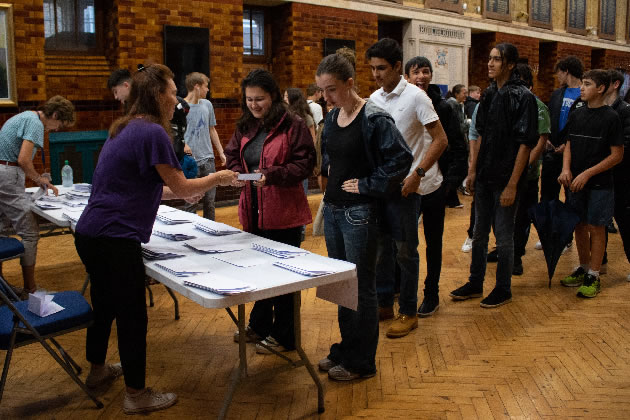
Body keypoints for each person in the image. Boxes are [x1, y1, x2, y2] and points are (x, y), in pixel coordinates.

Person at [74, 64, 237, 414]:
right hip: (115, 238)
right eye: (173, 91)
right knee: (133, 316)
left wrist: (187, 191)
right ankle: (136, 394)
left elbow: (144, 186)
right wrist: (216, 179)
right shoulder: (153, 132)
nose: (177, 98)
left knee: (103, 305)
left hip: (91, 233)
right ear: (158, 95)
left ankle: (98, 370)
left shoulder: (124, 128)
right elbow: (179, 186)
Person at [315, 49, 413, 380]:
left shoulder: (374, 116)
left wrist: (369, 184)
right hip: (334, 210)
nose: (325, 97)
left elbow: (401, 159)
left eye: (331, 89)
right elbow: (331, 157)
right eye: (322, 90)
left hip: (360, 213)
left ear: (349, 83)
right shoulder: (331, 117)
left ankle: (363, 361)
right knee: (342, 284)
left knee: (362, 286)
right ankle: (348, 347)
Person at [224, 69, 315, 355]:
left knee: (283, 277)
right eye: (249, 99)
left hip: (282, 211)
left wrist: (272, 174)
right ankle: (260, 324)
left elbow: (304, 164)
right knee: (260, 272)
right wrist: (237, 173)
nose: (254, 104)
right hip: (252, 209)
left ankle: (285, 335)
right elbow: (232, 156)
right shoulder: (245, 125)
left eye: (259, 99)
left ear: (273, 96)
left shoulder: (293, 124)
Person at [367, 41, 448, 335]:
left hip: (406, 187)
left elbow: (441, 140)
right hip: (381, 188)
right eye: (373, 68)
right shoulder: (373, 98)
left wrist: (418, 174)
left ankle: (409, 310)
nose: (376, 74)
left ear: (397, 66)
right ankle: (385, 303)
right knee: (381, 250)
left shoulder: (416, 97)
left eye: (382, 68)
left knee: (405, 251)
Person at [449, 43, 538, 308]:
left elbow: (525, 143)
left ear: (510, 64)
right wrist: (473, 170)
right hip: (486, 174)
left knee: (504, 235)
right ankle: (475, 282)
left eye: (496, 59)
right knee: (478, 232)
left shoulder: (523, 97)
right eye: (489, 58)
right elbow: (480, 135)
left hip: (506, 178)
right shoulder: (488, 94)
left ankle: (503, 287)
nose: (490, 63)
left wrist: (512, 184)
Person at [558, 69, 624, 297]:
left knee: (597, 227)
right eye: (582, 83)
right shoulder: (577, 114)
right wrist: (566, 169)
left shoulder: (611, 117)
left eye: (587, 84)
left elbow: (617, 155)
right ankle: (583, 268)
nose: (582, 88)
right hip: (575, 182)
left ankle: (594, 275)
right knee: (578, 224)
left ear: (601, 88)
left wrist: (587, 174)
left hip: (600, 184)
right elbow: (569, 144)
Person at [0, 96, 74, 298]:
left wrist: (35, 178)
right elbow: (23, 159)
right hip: (7, 175)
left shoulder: (26, 116)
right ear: (55, 115)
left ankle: (2, 290)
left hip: (3, 173)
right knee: (30, 232)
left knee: (0, 230)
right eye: (59, 124)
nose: (56, 129)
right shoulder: (35, 123)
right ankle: (29, 290)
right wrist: (38, 179)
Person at [512, 63, 550, 276]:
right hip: (506, 172)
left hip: (527, 174)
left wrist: (524, 165)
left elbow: (541, 139)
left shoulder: (538, 106)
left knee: (522, 216)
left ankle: (516, 255)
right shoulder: (507, 102)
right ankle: (506, 250)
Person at [181, 72, 226, 220]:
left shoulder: (207, 104)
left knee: (210, 202)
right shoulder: (180, 107)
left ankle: (211, 235)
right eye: (206, 86)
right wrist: (184, 144)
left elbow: (212, 129)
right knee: (190, 203)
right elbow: (172, 132)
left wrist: (220, 152)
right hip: (190, 161)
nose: (208, 90)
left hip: (208, 160)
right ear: (197, 86)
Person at [541, 56, 584, 203]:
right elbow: (549, 118)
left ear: (566, 71)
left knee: (572, 198)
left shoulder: (585, 94)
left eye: (558, 72)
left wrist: (568, 145)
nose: (557, 76)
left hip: (573, 156)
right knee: (547, 198)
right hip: (552, 153)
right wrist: (546, 139)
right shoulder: (556, 94)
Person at [603, 69, 630, 280]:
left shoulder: (625, 110)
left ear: (615, 85)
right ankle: (599, 263)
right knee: (598, 222)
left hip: (621, 176)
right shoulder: (598, 110)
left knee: (624, 219)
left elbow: (626, 145)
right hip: (601, 177)